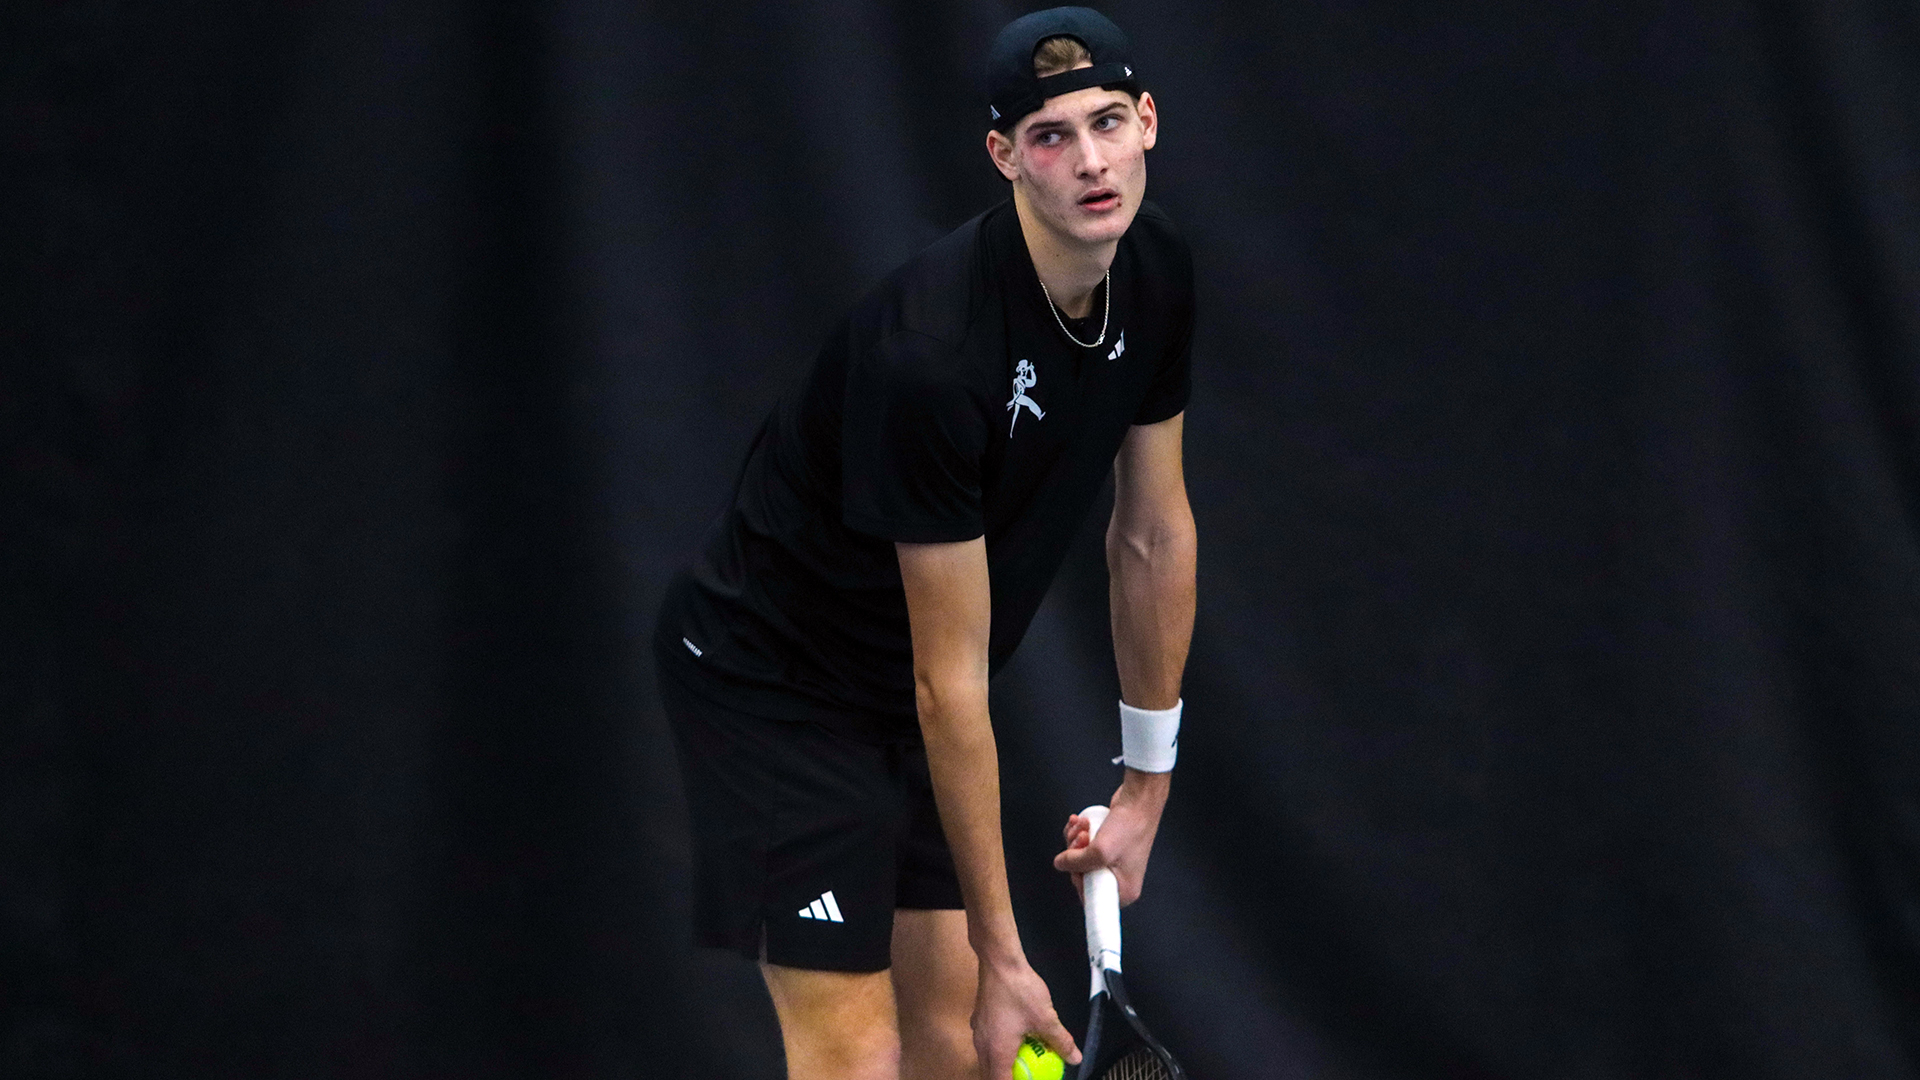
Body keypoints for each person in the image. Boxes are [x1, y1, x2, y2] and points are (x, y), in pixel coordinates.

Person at [653, 8, 1196, 1078]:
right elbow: (947, 684)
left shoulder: (1158, 273)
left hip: (906, 695)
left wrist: (1146, 785)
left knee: (962, 1051)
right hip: (778, 689)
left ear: (1147, 124)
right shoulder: (934, 359)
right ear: (1004, 157)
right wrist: (1003, 950)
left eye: (1105, 123)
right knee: (861, 1057)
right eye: (1049, 136)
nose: (1089, 161)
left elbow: (1151, 533)